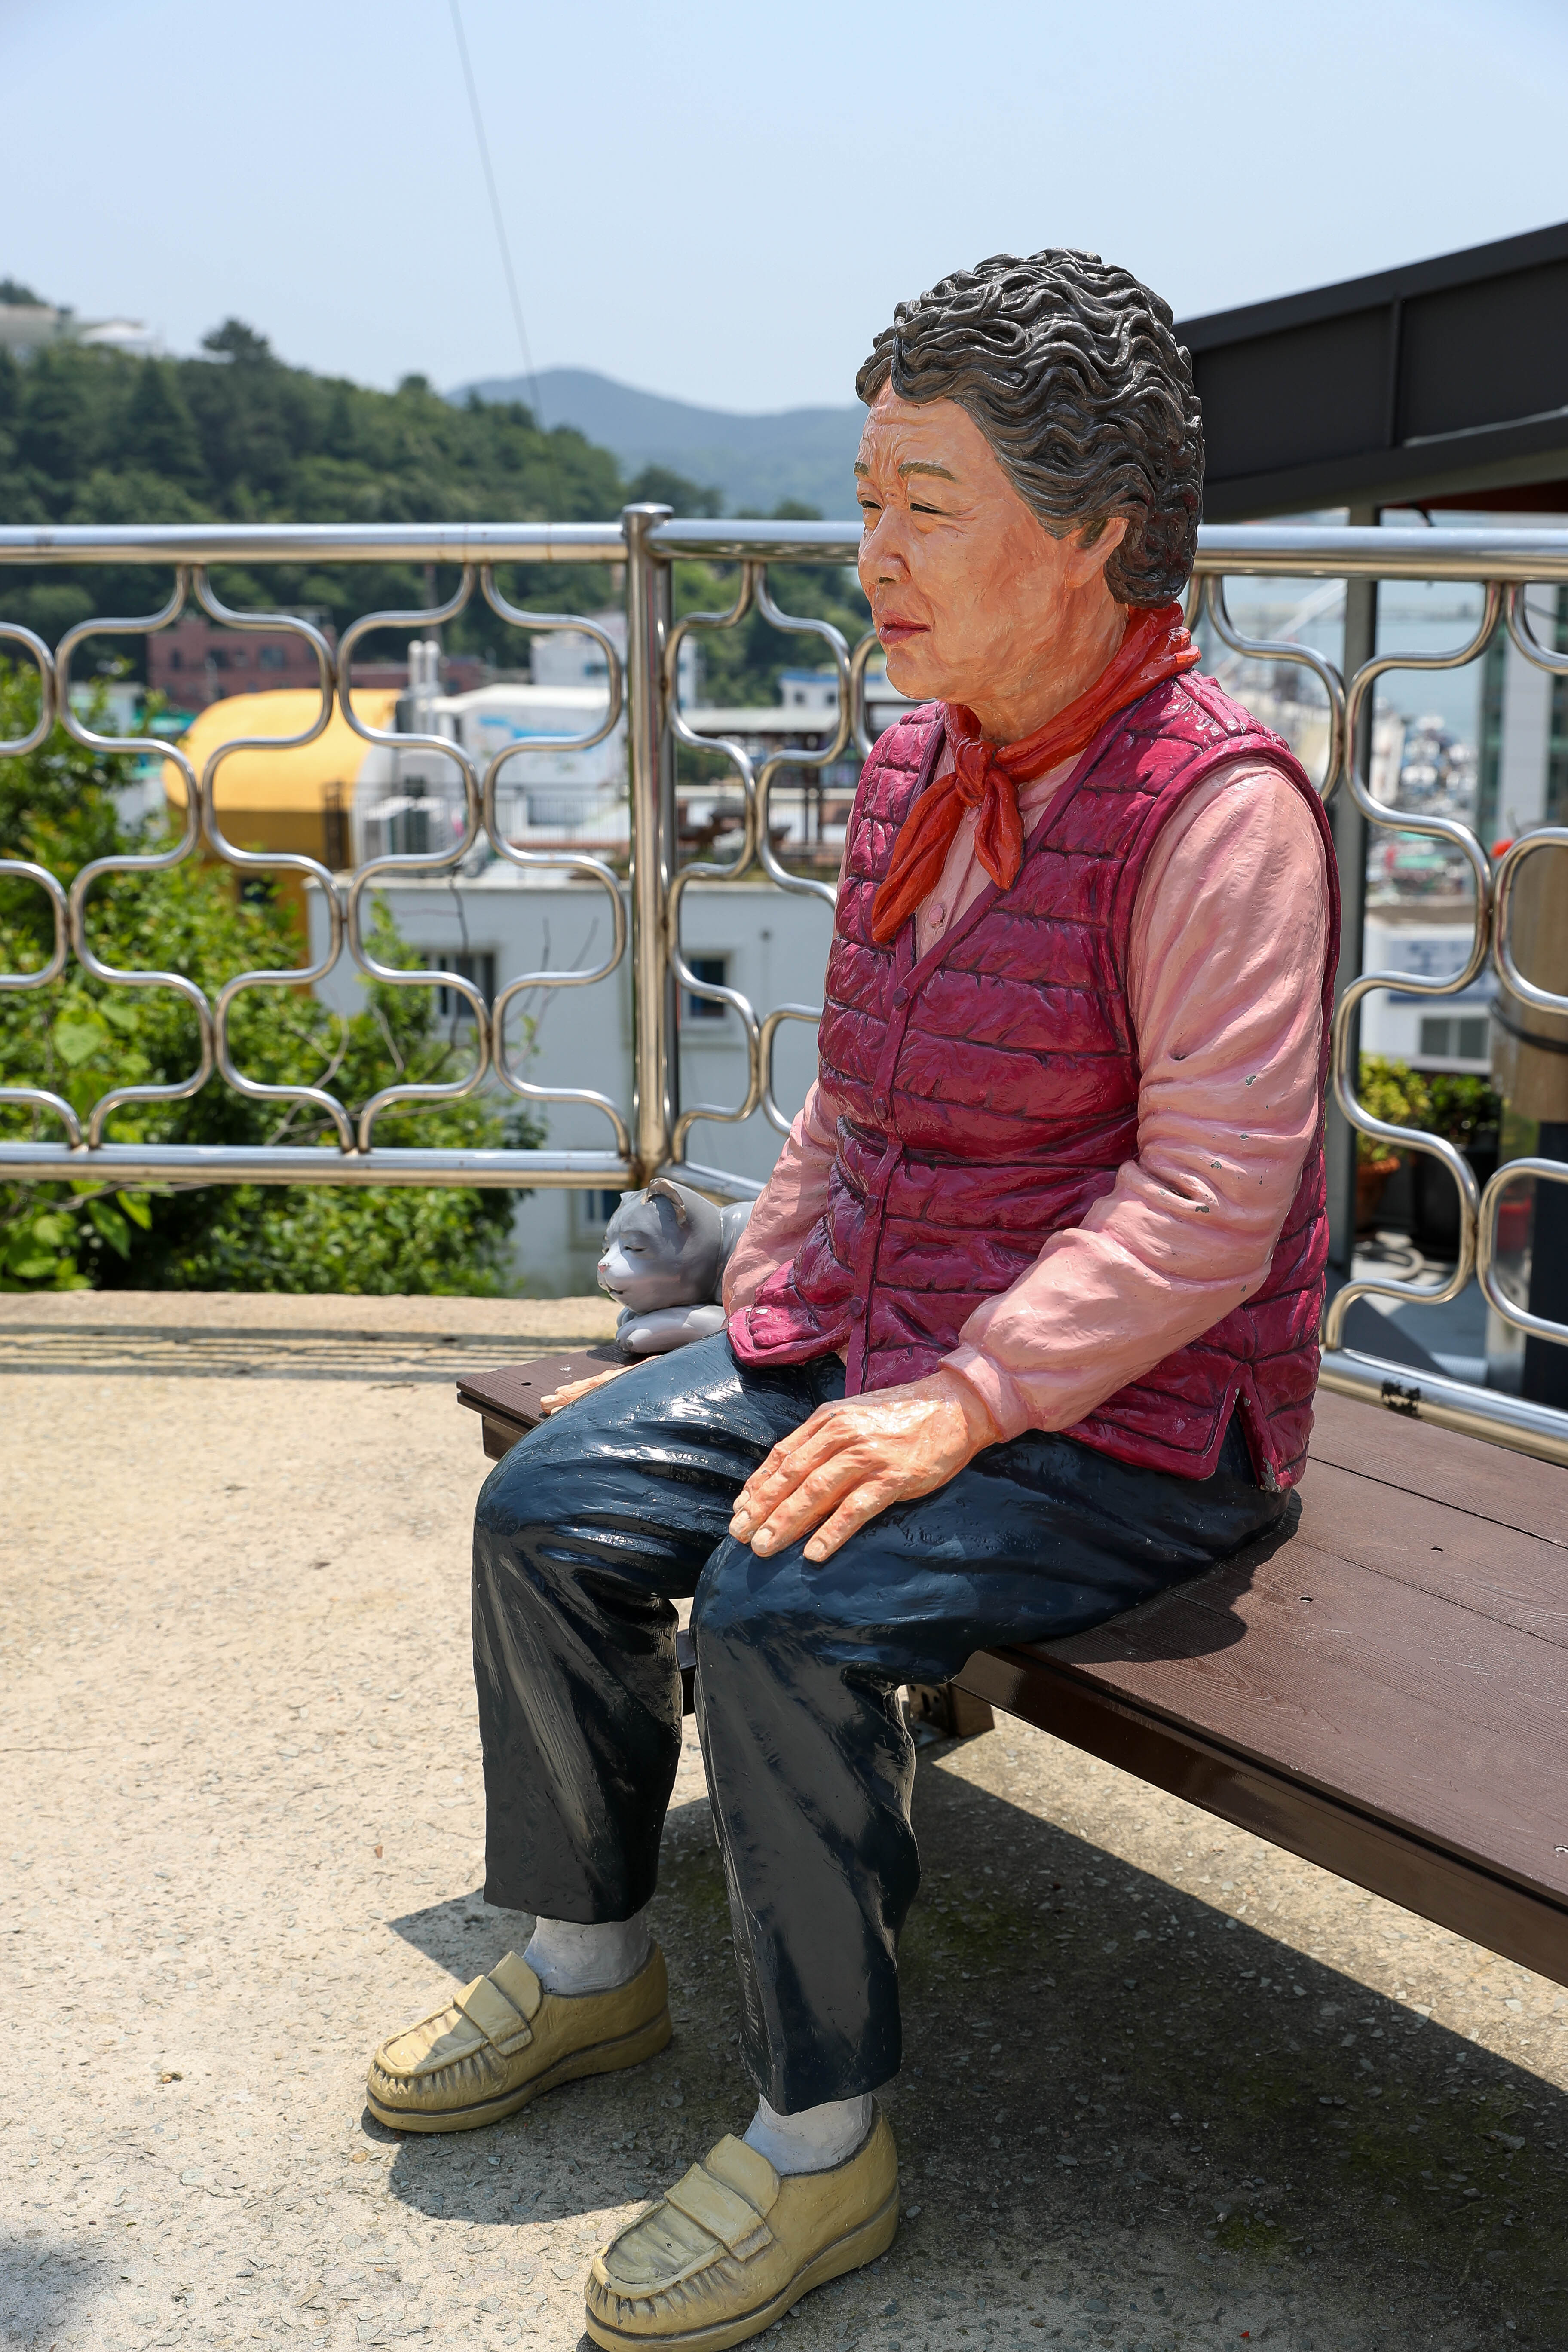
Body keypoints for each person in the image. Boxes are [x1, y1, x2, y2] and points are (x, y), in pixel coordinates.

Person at [365, 249, 1337, 2352]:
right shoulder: (918, 766)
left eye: (929, 504)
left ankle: (823, 2141)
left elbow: (1211, 1205)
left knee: (783, 1602)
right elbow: (856, 1095)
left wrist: (967, 1397)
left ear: (1091, 537)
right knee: (554, 1505)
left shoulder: (1222, 812)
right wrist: (767, 1303)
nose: (873, 551)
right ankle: (589, 1959)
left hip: (1137, 1419)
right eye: (868, 496)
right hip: (895, 1347)